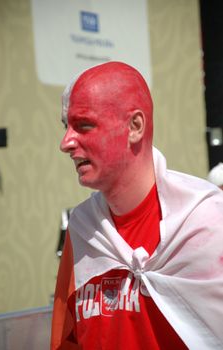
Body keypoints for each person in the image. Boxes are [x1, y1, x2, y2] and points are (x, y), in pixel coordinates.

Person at [51, 62, 223, 350]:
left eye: (83, 125)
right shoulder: (82, 230)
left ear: (135, 127)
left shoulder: (207, 223)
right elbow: (66, 341)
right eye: (66, 127)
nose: (66, 142)